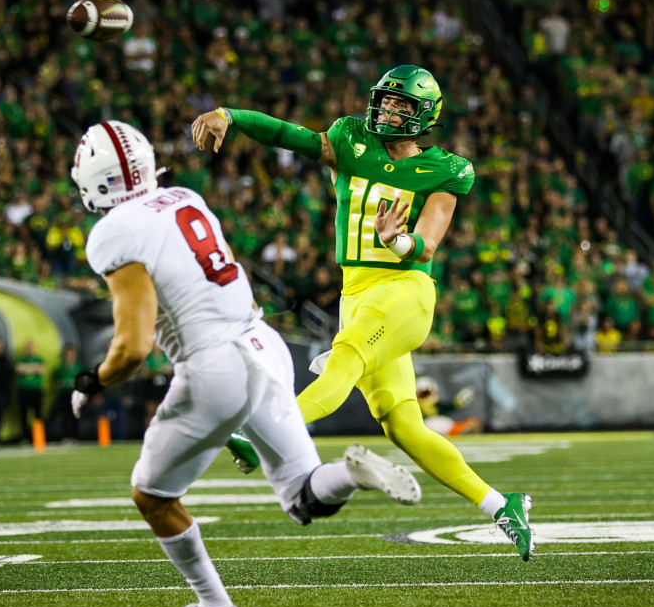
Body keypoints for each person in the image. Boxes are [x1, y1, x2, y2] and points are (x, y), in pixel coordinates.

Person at [69, 120, 421, 607]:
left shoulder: (114, 231)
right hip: (262, 343)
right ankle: (353, 473)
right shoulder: (183, 197)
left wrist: (92, 381)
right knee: (304, 497)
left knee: (152, 495)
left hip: (215, 366)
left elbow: (132, 347)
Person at [192, 66, 534, 561]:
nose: (389, 111)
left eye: (402, 106)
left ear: (426, 116)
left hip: (405, 289)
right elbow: (289, 136)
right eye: (386, 101)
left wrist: (397, 238)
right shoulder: (350, 139)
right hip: (356, 292)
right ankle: (503, 505)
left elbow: (428, 242)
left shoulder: (447, 169)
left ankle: (263, 429)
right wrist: (231, 115)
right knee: (403, 426)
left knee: (346, 357)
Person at [416, 376, 481, 437]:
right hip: (426, 429)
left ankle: (460, 430)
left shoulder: (437, 406)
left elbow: (452, 406)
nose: (426, 398)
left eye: (427, 394)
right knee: (433, 423)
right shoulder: (416, 408)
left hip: (445, 426)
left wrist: (458, 402)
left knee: (471, 422)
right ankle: (458, 431)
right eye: (423, 395)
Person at [15, 339, 45, 443]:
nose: (29, 349)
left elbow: (41, 369)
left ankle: (38, 436)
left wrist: (26, 369)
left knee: (38, 414)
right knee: (24, 414)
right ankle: (25, 437)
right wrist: (33, 368)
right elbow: (18, 369)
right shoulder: (21, 359)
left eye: (31, 347)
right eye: (28, 347)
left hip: (36, 389)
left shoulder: (39, 359)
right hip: (24, 389)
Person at [53, 344, 82, 443]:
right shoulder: (61, 369)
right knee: (65, 415)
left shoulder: (78, 367)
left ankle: (75, 436)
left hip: (75, 395)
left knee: (75, 416)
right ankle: (66, 436)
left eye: (72, 354)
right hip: (65, 394)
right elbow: (58, 382)